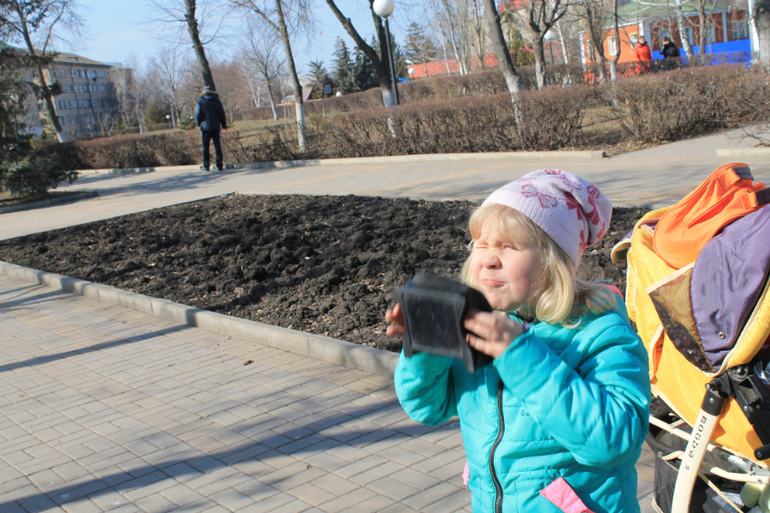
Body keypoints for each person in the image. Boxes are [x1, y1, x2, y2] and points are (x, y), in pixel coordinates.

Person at [387, 169, 650, 513]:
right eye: (481, 244)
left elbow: (613, 441)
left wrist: (520, 355)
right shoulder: (481, 322)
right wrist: (426, 344)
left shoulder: (599, 334)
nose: (488, 258)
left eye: (509, 246)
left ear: (552, 262)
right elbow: (428, 408)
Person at [195, 85, 228, 172]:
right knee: (217, 146)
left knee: (206, 147)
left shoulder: (200, 101)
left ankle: (206, 165)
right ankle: (219, 165)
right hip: (216, 126)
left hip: (205, 127)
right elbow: (222, 113)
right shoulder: (217, 100)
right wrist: (224, 125)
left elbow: (198, 113)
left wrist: (199, 123)